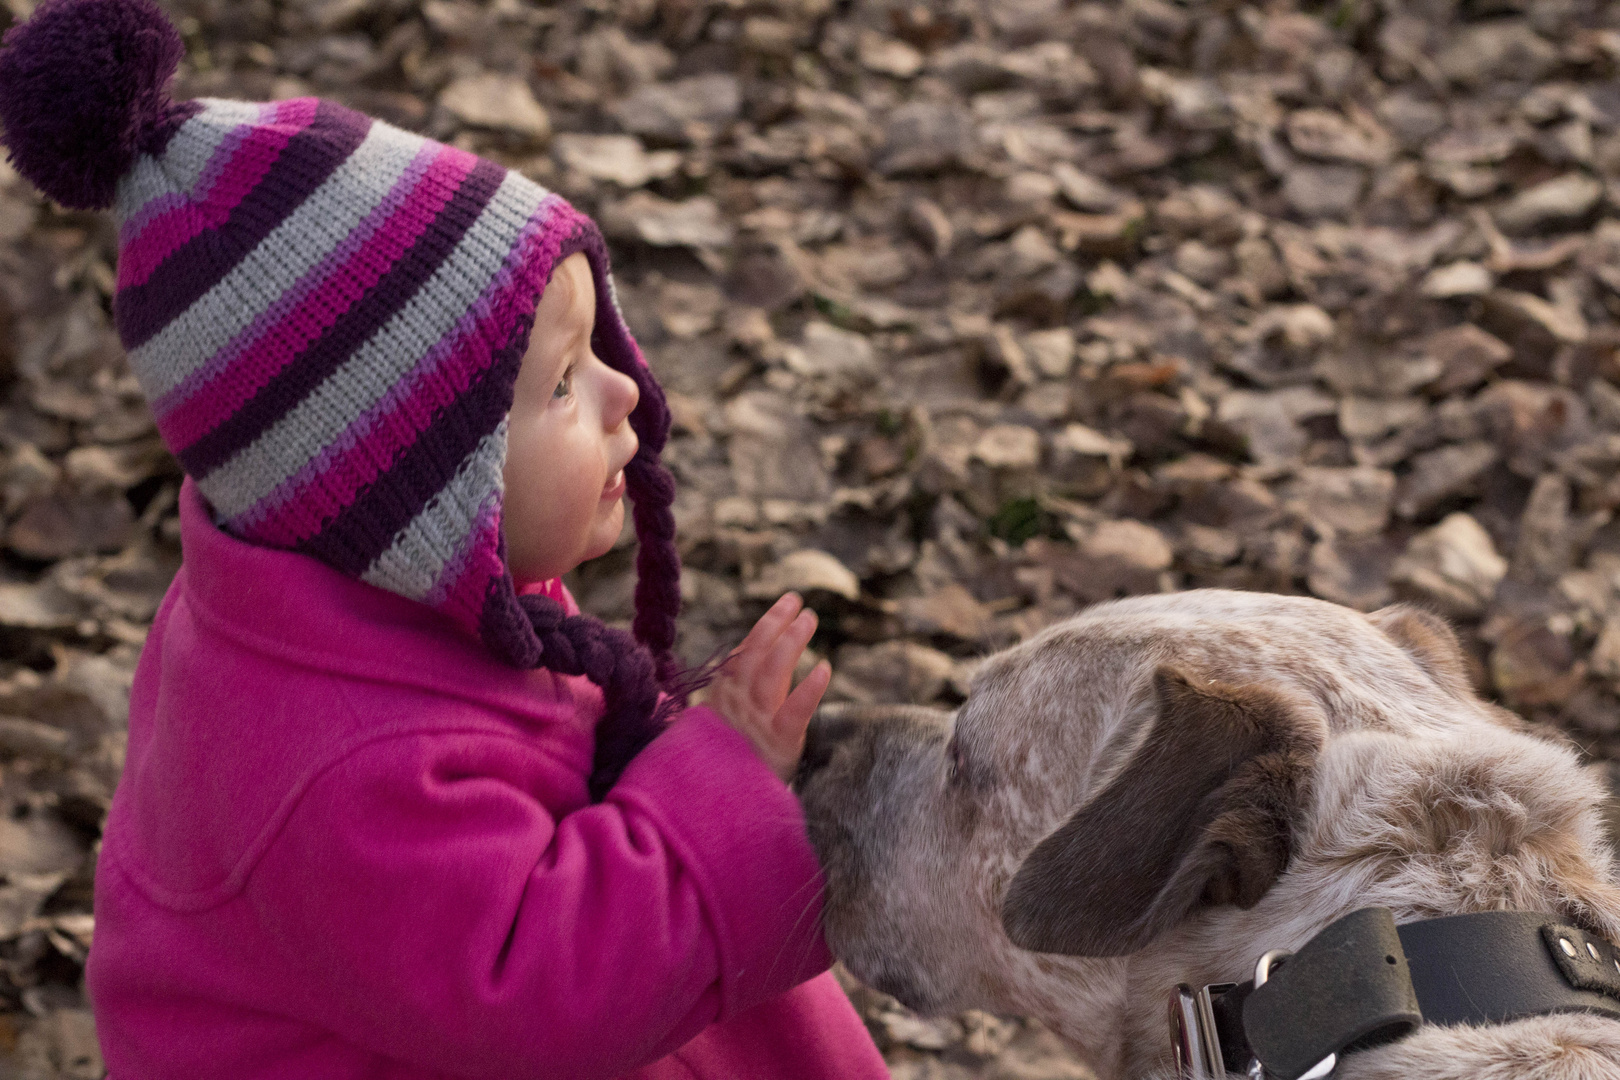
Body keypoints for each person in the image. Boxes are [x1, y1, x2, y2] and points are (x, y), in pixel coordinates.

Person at [0, 0, 892, 1076]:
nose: (623, 391)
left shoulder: (380, 590)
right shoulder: (344, 768)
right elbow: (540, 1000)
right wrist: (723, 784)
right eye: (562, 383)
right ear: (412, 486)